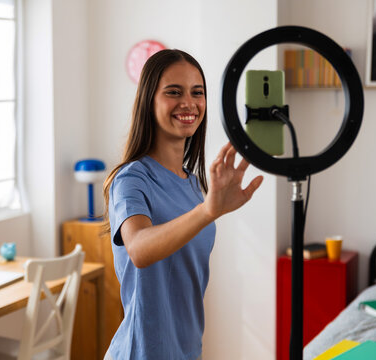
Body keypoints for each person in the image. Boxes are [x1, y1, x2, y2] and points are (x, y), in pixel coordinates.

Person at [102, 49, 263, 360]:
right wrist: (207, 211)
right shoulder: (131, 179)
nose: (188, 103)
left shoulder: (193, 184)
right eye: (173, 92)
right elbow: (139, 249)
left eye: (197, 93)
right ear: (149, 101)